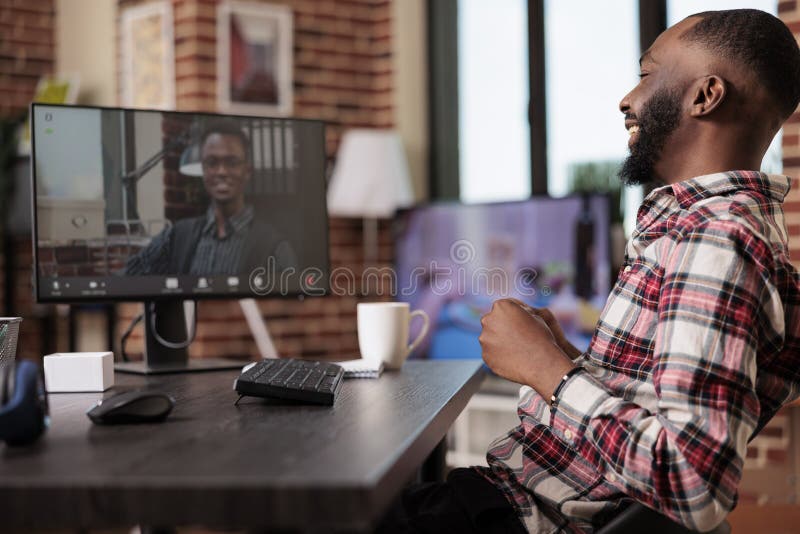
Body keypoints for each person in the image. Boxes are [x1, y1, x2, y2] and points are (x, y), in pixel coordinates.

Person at [379, 9, 800, 533]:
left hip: (520, 516)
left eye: (647, 74)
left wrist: (546, 370)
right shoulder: (700, 232)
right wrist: (568, 360)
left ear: (705, 96)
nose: (627, 98)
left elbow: (694, 482)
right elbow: (658, 402)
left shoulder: (716, 242)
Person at [125, 119, 296, 277]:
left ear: (247, 172)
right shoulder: (177, 236)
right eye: (212, 163)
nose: (221, 172)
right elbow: (125, 279)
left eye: (232, 162)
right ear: (203, 170)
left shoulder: (274, 247)